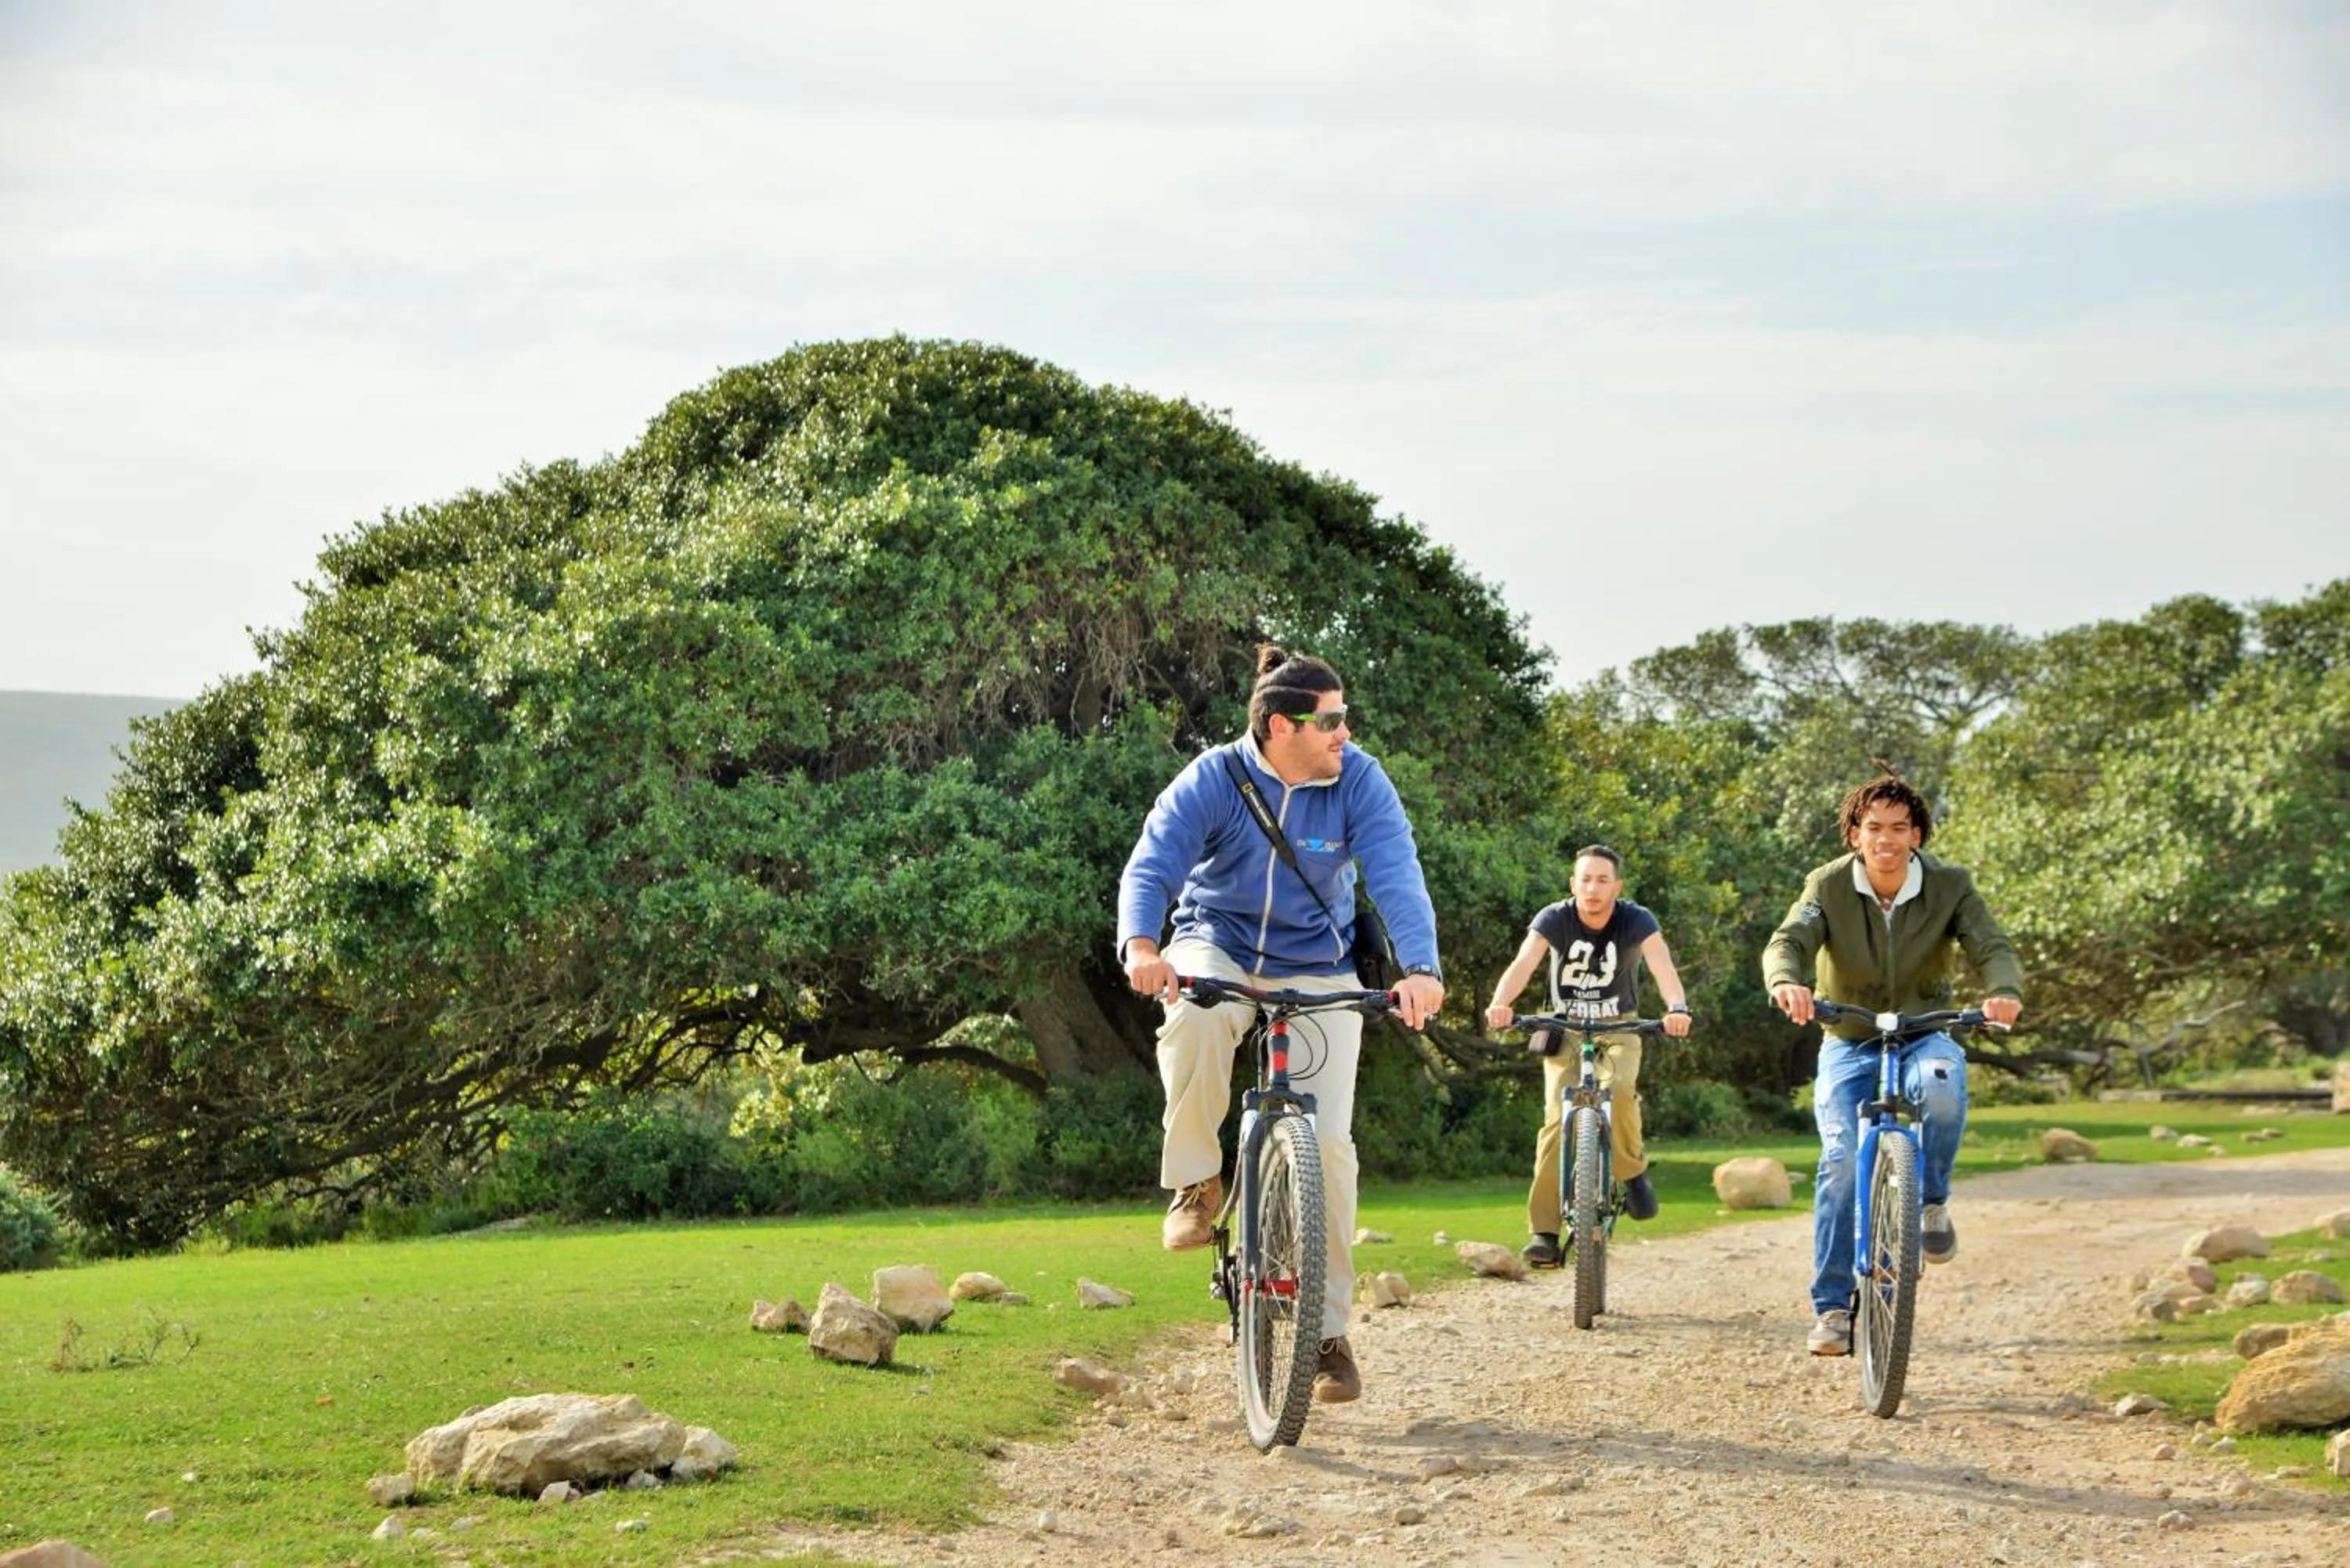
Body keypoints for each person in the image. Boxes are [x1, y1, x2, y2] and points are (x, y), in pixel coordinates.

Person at [1117, 645, 1447, 1405]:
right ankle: (1198, 1183)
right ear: (1277, 726)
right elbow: (1154, 863)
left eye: (1344, 718)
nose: (1343, 733)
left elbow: (1396, 870)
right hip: (1217, 942)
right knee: (1194, 1021)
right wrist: (1142, 943)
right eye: (1328, 720)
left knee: (1329, 1143)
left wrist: (1421, 968)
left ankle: (1327, 1335)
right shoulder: (1214, 777)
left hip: (1318, 958)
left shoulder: (1358, 778)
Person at [1762, 773, 2024, 1357]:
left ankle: (1929, 1201)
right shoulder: (1826, 884)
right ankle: (1832, 1308)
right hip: (1850, 1037)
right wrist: (1786, 982)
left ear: (1917, 835)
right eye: (1873, 828)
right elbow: (1790, 940)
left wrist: (2003, 989)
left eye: (1899, 828)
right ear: (1855, 834)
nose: (1886, 839)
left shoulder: (1950, 885)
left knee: (1942, 1087)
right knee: (1838, 1164)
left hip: (1924, 1031)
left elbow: (1990, 944)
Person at [1484, 845, 1692, 1267]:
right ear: (1572, 884)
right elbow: (1525, 962)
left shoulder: (1637, 919)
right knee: (1558, 1117)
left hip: (1621, 1026)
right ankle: (1544, 1231)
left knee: (1618, 1088)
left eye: (1602, 880)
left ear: (1617, 886)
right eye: (1585, 879)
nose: (1592, 889)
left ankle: (1631, 1172)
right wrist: (1500, 1002)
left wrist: (1676, 1007)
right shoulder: (1554, 918)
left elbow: (1661, 964)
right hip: (1566, 1029)